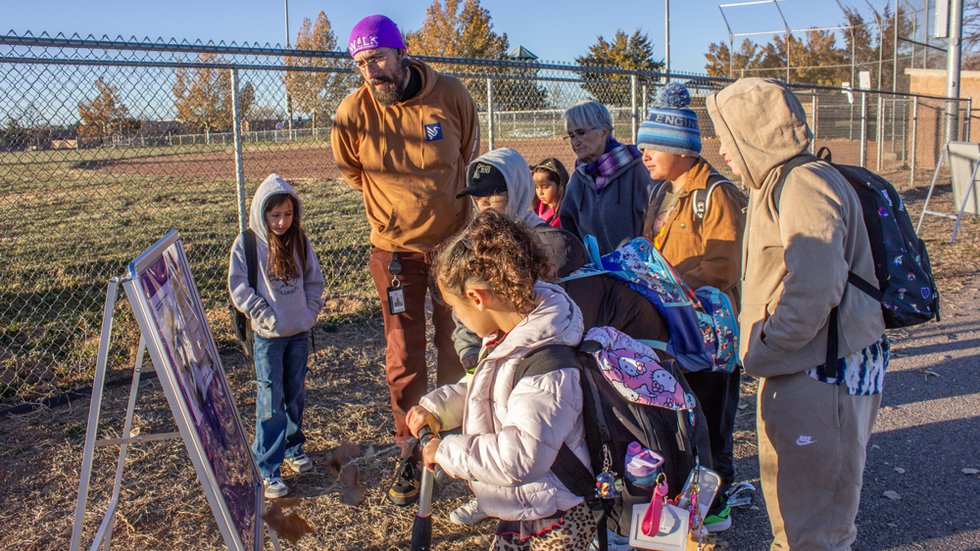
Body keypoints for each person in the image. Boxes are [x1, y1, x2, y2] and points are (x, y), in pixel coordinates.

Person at [706, 78, 888, 550]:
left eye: (726, 135)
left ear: (753, 131)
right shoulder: (779, 183)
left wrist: (769, 344)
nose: (722, 148)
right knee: (798, 519)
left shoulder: (803, 183)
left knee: (816, 530)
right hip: (803, 368)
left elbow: (815, 285)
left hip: (821, 373)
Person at [331, 13, 480, 505]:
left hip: (453, 249)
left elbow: (470, 152)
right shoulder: (352, 113)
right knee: (403, 355)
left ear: (402, 52)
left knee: (458, 345)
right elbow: (353, 170)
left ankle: (457, 441)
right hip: (395, 255)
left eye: (377, 58)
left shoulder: (451, 95)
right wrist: (393, 210)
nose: (370, 72)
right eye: (360, 63)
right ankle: (413, 450)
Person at [406, 210, 597, 550]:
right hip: (525, 505)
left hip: (555, 520)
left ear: (478, 298)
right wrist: (438, 409)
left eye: (456, 310)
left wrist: (447, 451)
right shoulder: (511, 333)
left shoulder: (547, 368)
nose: (457, 319)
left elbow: (519, 457)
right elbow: (486, 390)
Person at [447, 148, 586, 526]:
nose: (485, 204)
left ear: (518, 189)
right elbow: (467, 317)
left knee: (530, 439)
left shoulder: (548, 243)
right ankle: (491, 493)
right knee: (488, 425)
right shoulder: (475, 241)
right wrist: (472, 354)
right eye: (477, 196)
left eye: (496, 193)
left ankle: (539, 497)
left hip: (535, 361)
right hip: (490, 356)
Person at [637, 81, 747, 533]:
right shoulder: (662, 193)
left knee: (712, 417)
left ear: (680, 148)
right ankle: (689, 497)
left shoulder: (715, 195)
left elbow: (723, 265)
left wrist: (668, 282)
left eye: (652, 147)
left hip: (710, 334)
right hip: (675, 328)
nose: (643, 155)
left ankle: (716, 503)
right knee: (684, 415)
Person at [228, 173, 325, 499]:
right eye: (275, 215)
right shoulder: (247, 244)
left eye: (287, 214)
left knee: (295, 393)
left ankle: (293, 447)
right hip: (268, 337)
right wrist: (262, 313)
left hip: (298, 332)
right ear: (262, 214)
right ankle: (268, 468)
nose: (282, 221)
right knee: (270, 401)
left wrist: (310, 312)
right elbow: (238, 286)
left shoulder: (300, 240)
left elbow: (314, 281)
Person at [559, 100, 655, 255]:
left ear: (604, 131)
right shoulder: (579, 177)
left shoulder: (637, 169)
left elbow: (654, 220)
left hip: (637, 269)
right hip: (596, 272)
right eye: (571, 135)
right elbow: (568, 223)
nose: (575, 142)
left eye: (581, 133)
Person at [530, 157, 569, 228]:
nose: (540, 192)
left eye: (545, 187)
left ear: (559, 185)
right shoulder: (538, 206)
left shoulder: (565, 213)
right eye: (536, 187)